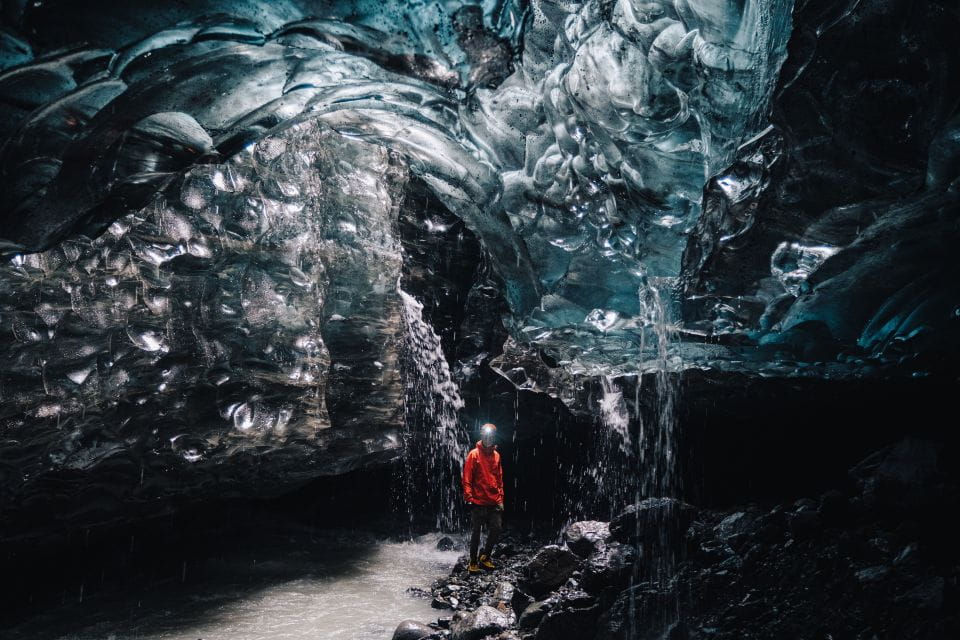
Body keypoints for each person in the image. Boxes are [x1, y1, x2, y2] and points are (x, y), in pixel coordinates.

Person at [462, 423, 504, 573]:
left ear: (494, 437)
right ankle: (473, 561)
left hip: (493, 501)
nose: (488, 438)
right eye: (486, 436)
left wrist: (501, 499)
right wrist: (469, 497)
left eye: (491, 436)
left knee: (497, 528)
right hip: (478, 501)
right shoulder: (473, 454)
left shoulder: (497, 455)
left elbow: (499, 478)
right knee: (476, 532)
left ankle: (485, 556)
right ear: (481, 436)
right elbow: (467, 477)